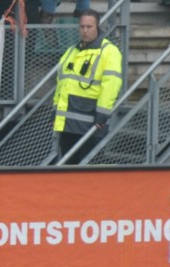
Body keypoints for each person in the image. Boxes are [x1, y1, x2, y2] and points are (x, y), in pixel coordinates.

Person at [52, 9, 122, 164]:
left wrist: (102, 114)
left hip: (91, 123)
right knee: (68, 168)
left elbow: (111, 85)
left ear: (98, 27)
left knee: (89, 170)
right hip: (68, 123)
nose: (85, 31)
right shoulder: (71, 51)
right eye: (82, 26)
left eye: (89, 27)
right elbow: (61, 84)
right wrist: (55, 110)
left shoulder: (109, 51)